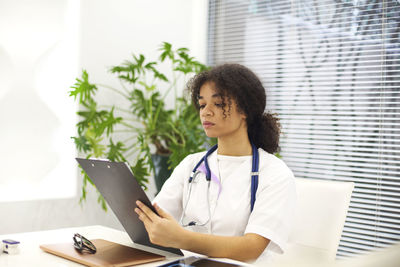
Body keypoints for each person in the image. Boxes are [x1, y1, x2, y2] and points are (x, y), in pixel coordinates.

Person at [134, 63, 296, 263]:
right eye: (202, 105)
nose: (205, 112)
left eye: (218, 104)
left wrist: (182, 238)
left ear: (245, 109)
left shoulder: (274, 173)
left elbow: (252, 248)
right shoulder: (191, 164)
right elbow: (158, 216)